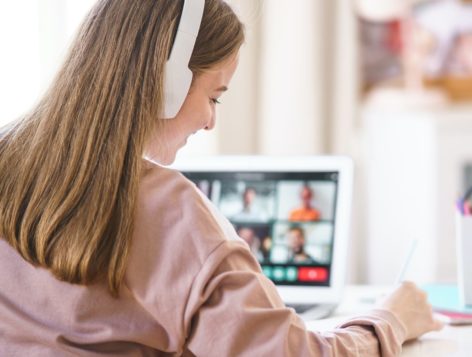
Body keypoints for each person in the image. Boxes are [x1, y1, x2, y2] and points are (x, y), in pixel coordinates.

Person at [0, 0, 442, 355]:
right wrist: (391, 319)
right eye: (214, 95)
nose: (211, 121)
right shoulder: (169, 208)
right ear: (167, 79)